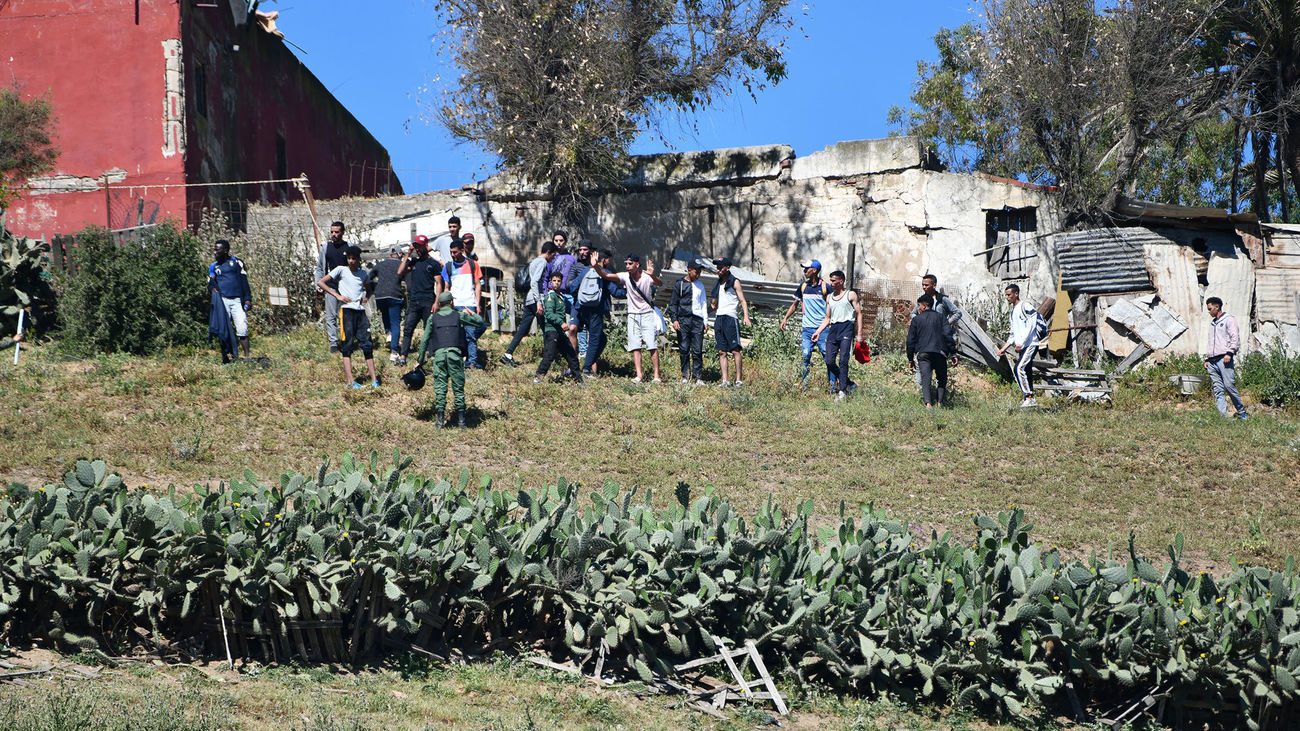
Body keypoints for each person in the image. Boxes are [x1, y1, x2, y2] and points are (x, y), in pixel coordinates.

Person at [417, 291, 485, 427]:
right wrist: (471, 313)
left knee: (440, 388)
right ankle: (461, 421)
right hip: (455, 355)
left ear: (440, 304)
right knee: (458, 388)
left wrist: (419, 360)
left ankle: (440, 421)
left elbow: (424, 340)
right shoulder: (459, 315)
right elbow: (479, 322)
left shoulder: (432, 318)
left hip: (439, 356)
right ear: (451, 302)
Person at [591, 253, 663, 382]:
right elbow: (606, 275)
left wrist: (652, 274)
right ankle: (639, 375)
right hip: (632, 315)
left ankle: (656, 376)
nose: (628, 266)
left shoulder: (646, 277)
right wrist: (596, 266)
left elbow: (659, 283)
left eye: (630, 264)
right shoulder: (625, 276)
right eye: (626, 264)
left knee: (651, 345)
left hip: (647, 314)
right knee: (635, 346)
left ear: (637, 264)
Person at [316, 245, 378, 389]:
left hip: (360, 312)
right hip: (346, 311)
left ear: (358, 259)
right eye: (349, 258)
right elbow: (321, 282)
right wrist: (337, 296)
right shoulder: (341, 270)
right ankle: (350, 381)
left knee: (367, 344)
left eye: (354, 258)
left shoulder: (363, 274)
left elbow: (369, 288)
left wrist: (366, 297)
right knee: (347, 345)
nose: (351, 261)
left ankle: (374, 380)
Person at [779, 259, 837, 387]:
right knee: (805, 355)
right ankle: (804, 385)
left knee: (828, 357)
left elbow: (833, 306)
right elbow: (795, 304)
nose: (804, 271)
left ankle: (833, 385)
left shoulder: (825, 287)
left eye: (807, 269)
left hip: (822, 329)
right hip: (807, 329)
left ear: (814, 270)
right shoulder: (803, 287)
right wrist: (785, 318)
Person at [500, 242, 557, 367]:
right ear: (548, 252)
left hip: (529, 299)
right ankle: (549, 358)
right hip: (536, 300)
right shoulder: (542, 262)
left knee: (523, 329)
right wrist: (539, 302)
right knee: (547, 328)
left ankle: (508, 354)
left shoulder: (534, 261)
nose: (553, 258)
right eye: (553, 255)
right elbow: (535, 282)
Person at [811, 270, 863, 401]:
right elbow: (827, 318)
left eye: (834, 280)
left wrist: (859, 334)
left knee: (843, 360)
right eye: (831, 280)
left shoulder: (850, 295)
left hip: (846, 328)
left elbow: (859, 314)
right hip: (833, 329)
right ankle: (849, 383)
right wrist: (818, 332)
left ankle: (842, 391)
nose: (831, 283)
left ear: (841, 281)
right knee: (829, 361)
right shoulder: (829, 297)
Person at [396, 234, 441, 365]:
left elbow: (439, 283)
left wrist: (436, 302)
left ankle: (431, 357)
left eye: (420, 246)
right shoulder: (414, 262)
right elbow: (400, 272)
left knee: (429, 329)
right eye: (416, 247)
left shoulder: (433, 263)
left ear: (426, 246)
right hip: (414, 301)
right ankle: (403, 357)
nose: (418, 249)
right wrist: (408, 253)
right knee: (408, 328)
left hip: (428, 300)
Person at [441, 238, 485, 369]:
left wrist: (477, 304)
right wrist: (445, 306)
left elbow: (478, 285)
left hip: (469, 304)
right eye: (451, 252)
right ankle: (457, 360)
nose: (452, 255)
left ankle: (472, 362)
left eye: (455, 252)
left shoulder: (472, 264)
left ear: (462, 250)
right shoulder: (448, 267)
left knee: (472, 333)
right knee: (455, 335)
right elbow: (446, 287)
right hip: (454, 305)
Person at [995, 283, 1040, 408]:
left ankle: (1028, 397)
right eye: (1006, 295)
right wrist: (1004, 349)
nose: (1007, 297)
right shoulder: (1013, 312)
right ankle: (1031, 399)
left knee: (1018, 368)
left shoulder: (1026, 306)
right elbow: (1013, 334)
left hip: (1030, 344)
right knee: (1026, 371)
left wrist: (1022, 342)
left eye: (1009, 295)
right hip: (1022, 346)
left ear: (1016, 293)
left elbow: (1031, 325)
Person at [534, 272, 583, 384]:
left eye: (559, 281)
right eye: (554, 281)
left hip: (560, 332)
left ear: (561, 282)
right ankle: (538, 378)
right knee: (549, 355)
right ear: (550, 282)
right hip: (552, 331)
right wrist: (561, 323)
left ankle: (578, 380)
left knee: (571, 354)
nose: (556, 283)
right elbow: (549, 314)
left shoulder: (561, 297)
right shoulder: (550, 297)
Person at [1204, 296, 1249, 419]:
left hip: (1224, 359)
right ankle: (1223, 416)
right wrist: (1207, 359)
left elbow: (1235, 337)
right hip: (1212, 361)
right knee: (1218, 389)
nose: (1209, 312)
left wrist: (1230, 353)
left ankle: (1242, 412)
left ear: (1217, 307)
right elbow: (1211, 342)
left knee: (1229, 386)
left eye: (1210, 309)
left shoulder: (1229, 319)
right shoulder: (1212, 323)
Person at [581, 249, 624, 376]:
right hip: (596, 310)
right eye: (609, 260)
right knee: (595, 339)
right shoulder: (606, 273)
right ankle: (586, 368)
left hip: (582, 310)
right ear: (604, 260)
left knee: (601, 339)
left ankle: (587, 364)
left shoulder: (585, 271)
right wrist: (628, 290)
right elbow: (615, 292)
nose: (609, 263)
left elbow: (572, 286)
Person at [710, 257, 752, 387]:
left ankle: (738, 380)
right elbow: (713, 305)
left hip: (730, 318)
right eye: (717, 267)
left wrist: (746, 317)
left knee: (735, 350)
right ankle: (725, 380)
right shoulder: (717, 284)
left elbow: (743, 300)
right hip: (719, 318)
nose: (718, 269)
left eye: (721, 267)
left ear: (727, 267)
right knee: (721, 351)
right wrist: (702, 316)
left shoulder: (735, 281)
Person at [208, 239, 252, 361]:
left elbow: (244, 281)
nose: (215, 252)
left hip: (237, 301)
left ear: (225, 250)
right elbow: (210, 284)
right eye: (214, 249)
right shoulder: (213, 266)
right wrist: (212, 289)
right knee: (224, 330)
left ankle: (247, 357)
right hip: (223, 302)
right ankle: (226, 357)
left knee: (242, 328)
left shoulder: (237, 262)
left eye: (217, 249)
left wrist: (247, 299)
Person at [909, 274, 962, 374]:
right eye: (922, 285)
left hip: (941, 339)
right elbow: (913, 314)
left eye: (926, 285)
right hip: (926, 338)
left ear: (934, 285)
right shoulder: (922, 300)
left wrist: (947, 323)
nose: (924, 287)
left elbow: (958, 313)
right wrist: (919, 322)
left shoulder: (942, 300)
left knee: (940, 369)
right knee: (923, 369)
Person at [907, 294, 952, 408]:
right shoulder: (941, 317)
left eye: (919, 305)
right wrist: (953, 353)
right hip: (940, 352)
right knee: (941, 378)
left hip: (924, 353)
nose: (918, 308)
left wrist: (910, 359)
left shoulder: (916, 320)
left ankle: (928, 404)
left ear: (924, 306)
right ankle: (940, 403)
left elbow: (910, 340)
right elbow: (948, 335)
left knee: (925, 378)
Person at [669, 259, 709, 384]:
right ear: (689, 270)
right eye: (696, 272)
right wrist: (675, 319)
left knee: (697, 350)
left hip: (697, 321)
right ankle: (685, 376)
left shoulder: (700, 285)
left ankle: (698, 377)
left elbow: (703, 303)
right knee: (684, 349)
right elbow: (673, 303)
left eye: (700, 273)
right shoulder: (680, 284)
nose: (698, 275)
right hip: (683, 320)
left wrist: (705, 321)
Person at [313, 221, 350, 353]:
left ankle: (348, 340)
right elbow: (320, 267)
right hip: (331, 286)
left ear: (342, 232)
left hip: (346, 286)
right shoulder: (326, 248)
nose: (334, 234)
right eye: (332, 232)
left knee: (347, 315)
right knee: (331, 316)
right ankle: (333, 343)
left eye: (337, 232)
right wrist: (318, 283)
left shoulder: (348, 247)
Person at [369, 247, 406, 363]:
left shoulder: (380, 264)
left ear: (389, 255)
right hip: (394, 294)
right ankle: (394, 352)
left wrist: (373, 288)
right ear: (400, 254)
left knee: (385, 315)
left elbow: (369, 277)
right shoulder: (401, 264)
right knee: (395, 323)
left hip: (380, 295)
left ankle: (388, 334)